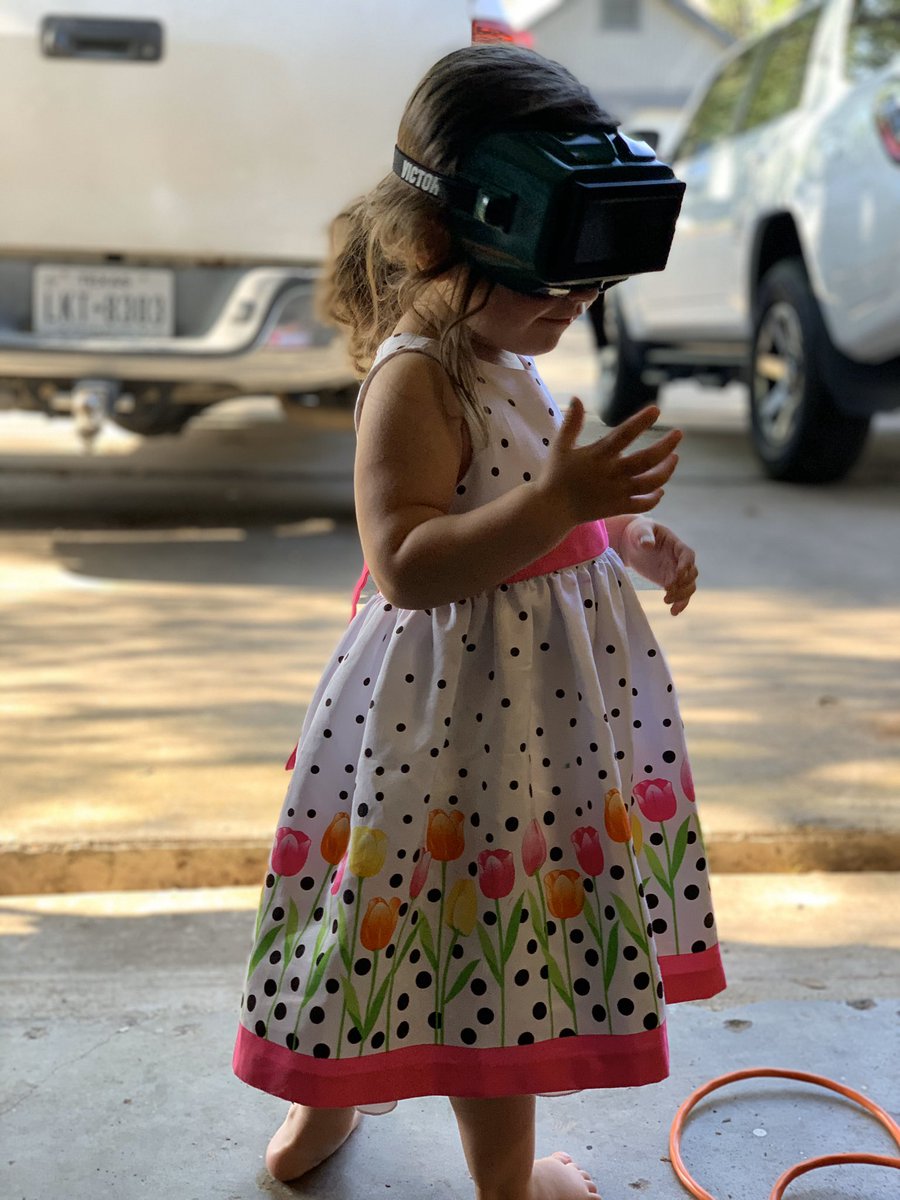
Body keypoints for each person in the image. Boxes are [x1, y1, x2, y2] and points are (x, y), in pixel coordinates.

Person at [233, 43, 725, 1200]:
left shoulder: (504, 354)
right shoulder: (418, 377)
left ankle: (310, 1137)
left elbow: (535, 520)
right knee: (475, 956)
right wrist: (561, 500)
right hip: (457, 731)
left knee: (393, 937)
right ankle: (507, 1186)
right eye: (542, 287)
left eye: (585, 294)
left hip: (525, 724)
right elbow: (404, 561)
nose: (564, 313)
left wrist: (622, 538)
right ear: (430, 243)